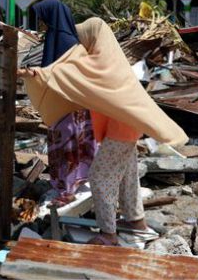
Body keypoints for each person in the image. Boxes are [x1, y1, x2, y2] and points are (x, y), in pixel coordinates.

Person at [19, 16, 188, 246]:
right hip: (126, 125)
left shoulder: (101, 64)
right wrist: (36, 73)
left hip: (121, 128)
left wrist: (35, 74)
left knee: (100, 177)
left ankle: (108, 235)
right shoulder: (108, 59)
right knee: (128, 178)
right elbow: (67, 70)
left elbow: (68, 74)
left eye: (85, 39)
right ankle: (136, 222)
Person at [21, 0, 97, 207]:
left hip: (66, 106)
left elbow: (55, 73)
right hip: (74, 104)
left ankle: (67, 188)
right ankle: (75, 181)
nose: (42, 23)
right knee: (73, 142)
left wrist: (28, 73)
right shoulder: (66, 38)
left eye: (43, 18)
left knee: (66, 143)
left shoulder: (63, 41)